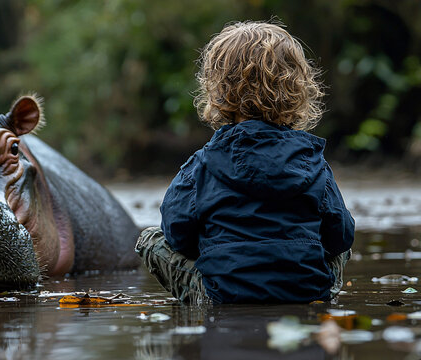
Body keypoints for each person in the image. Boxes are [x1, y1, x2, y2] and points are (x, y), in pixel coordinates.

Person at [135, 21, 354, 304]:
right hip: (306, 293)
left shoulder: (202, 164)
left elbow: (176, 233)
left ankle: (180, 343)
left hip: (221, 295)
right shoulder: (314, 164)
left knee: (149, 239)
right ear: (297, 89)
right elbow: (341, 238)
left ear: (219, 90)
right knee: (341, 243)